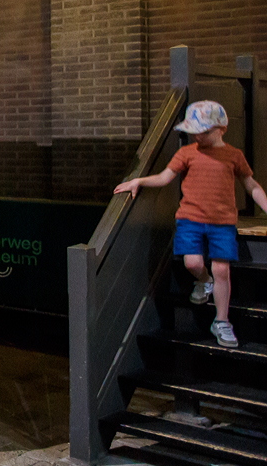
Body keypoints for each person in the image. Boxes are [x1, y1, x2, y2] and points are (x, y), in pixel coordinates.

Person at [114, 100, 267, 348]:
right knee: (192, 262)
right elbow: (165, 177)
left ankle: (221, 320)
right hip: (190, 219)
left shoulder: (233, 155)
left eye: (204, 132)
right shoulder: (187, 153)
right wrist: (138, 181)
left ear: (221, 129)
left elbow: (251, 185)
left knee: (222, 270)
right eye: (194, 133)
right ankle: (203, 280)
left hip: (222, 222)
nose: (198, 137)